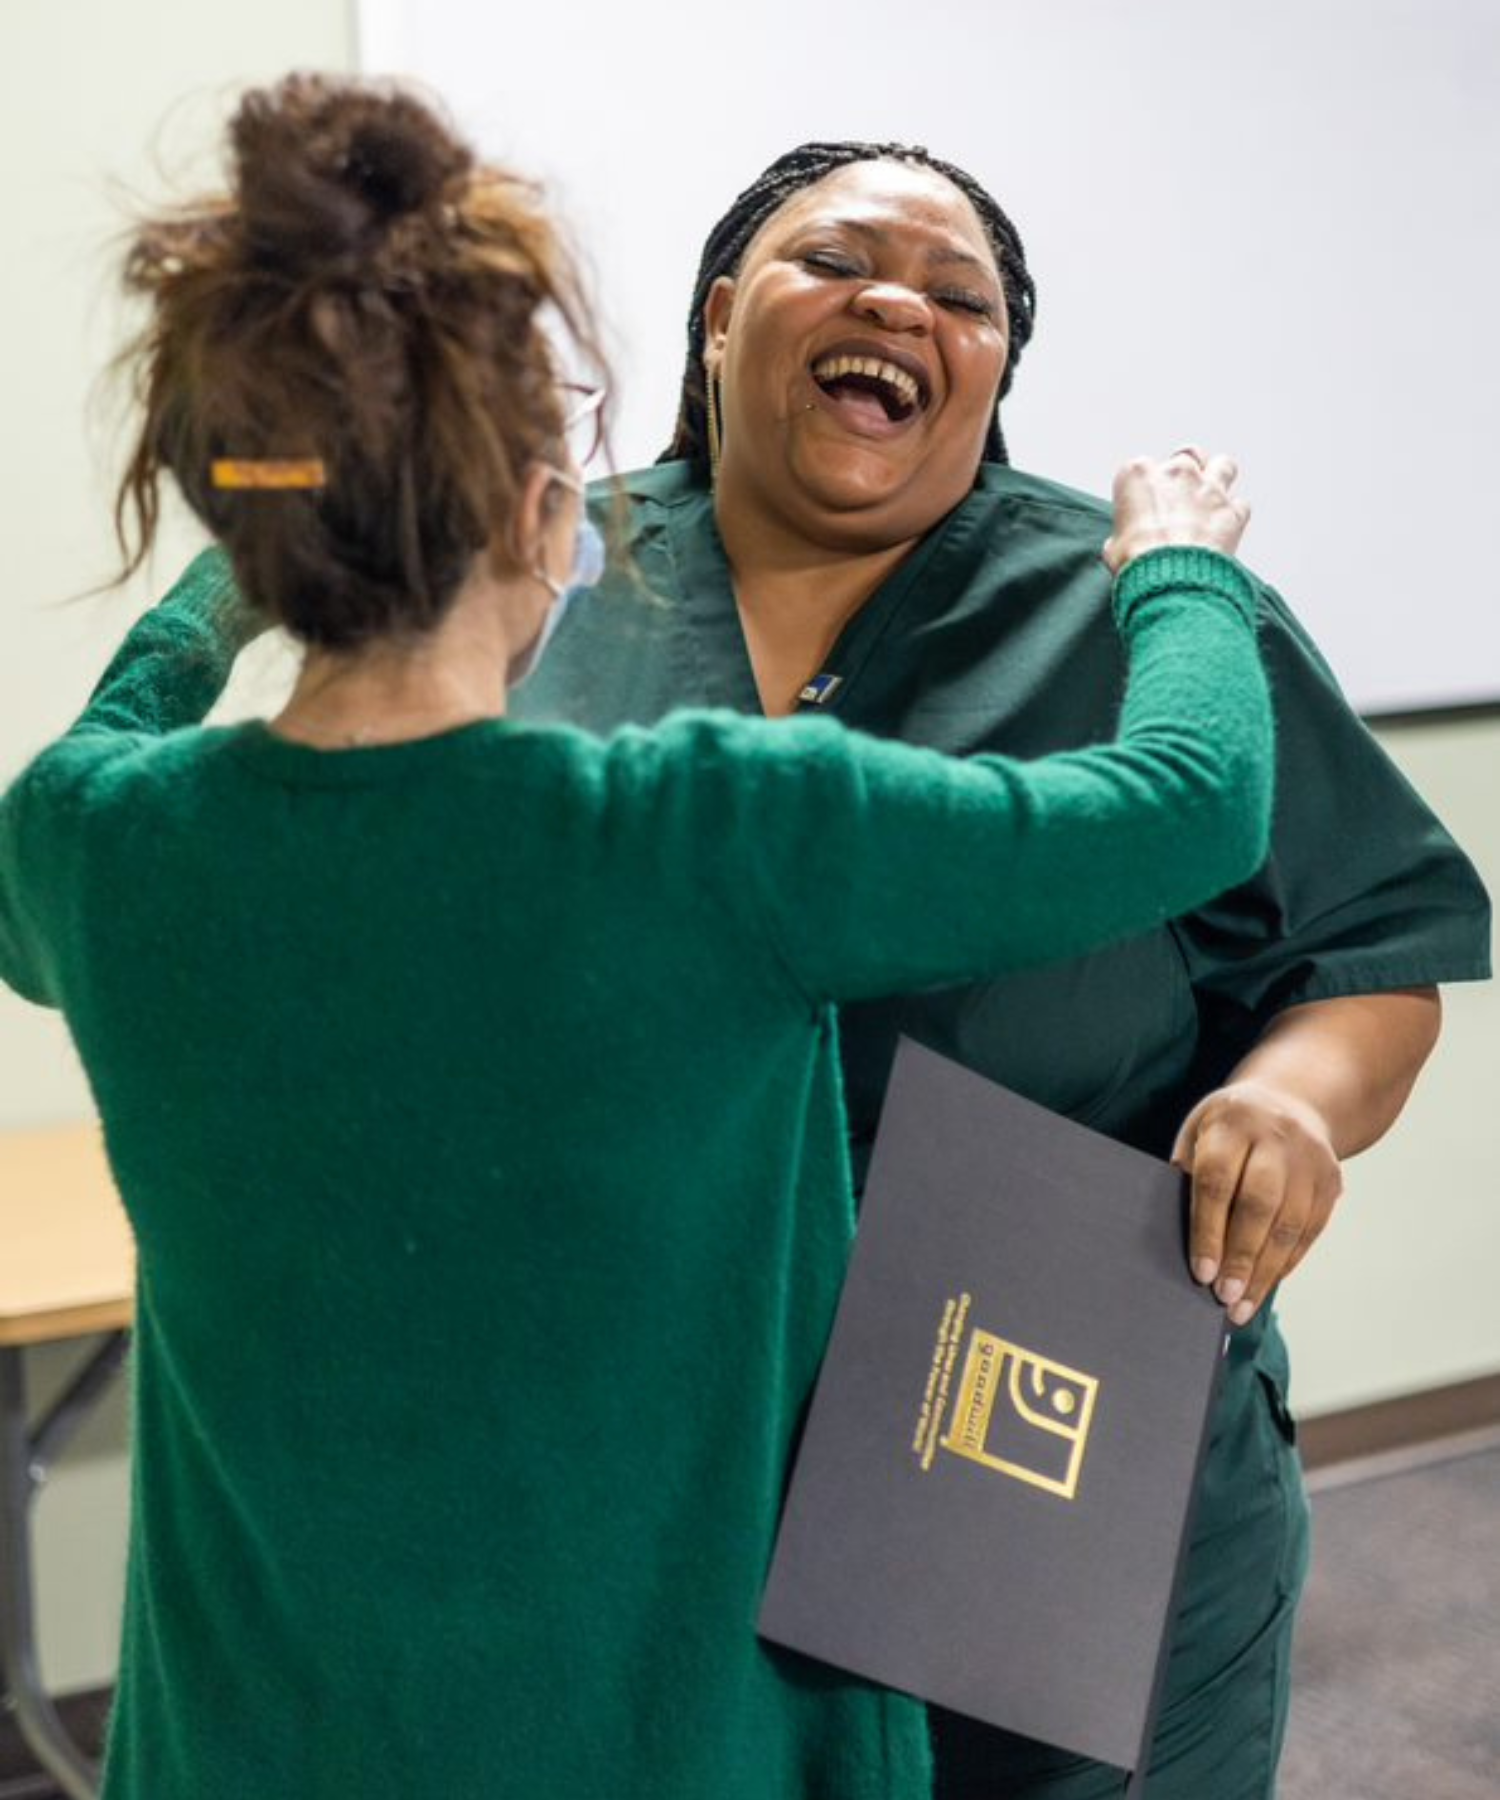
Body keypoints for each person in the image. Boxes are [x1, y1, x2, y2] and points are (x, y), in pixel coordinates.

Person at [0, 80, 1280, 1800]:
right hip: (660, 1744)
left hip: (251, 1739)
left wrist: (219, 590)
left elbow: (95, 747)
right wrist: (1184, 566)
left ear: (269, 521)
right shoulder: (706, 835)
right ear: (548, 525)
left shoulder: (103, 850)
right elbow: (1191, 799)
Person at [514, 141, 1493, 1798]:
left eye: (960, 297)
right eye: (837, 262)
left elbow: (1370, 949)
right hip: (635, 1447)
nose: (898, 300)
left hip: (1043, 1434)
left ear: (992, 374)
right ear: (721, 315)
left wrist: (1290, 1106)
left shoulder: (1144, 614)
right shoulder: (538, 585)